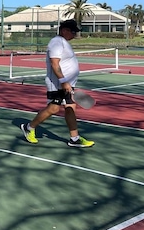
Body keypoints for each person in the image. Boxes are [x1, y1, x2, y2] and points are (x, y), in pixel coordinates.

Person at [20, 19, 94, 148]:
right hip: (57, 83)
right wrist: (63, 81)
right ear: (64, 30)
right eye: (73, 32)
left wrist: (68, 82)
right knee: (53, 108)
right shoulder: (56, 43)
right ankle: (29, 127)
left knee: (70, 108)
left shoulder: (64, 42)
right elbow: (55, 64)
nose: (75, 35)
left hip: (66, 83)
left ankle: (74, 138)